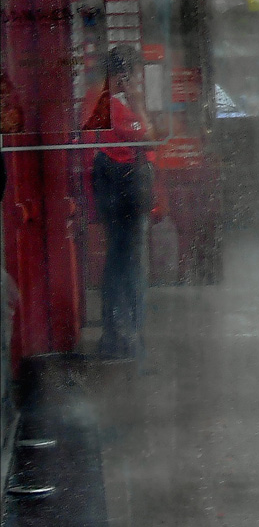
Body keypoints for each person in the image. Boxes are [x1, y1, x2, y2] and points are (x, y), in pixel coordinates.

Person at [84, 45, 155, 360]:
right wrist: (139, 102)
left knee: (118, 262)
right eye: (135, 74)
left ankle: (118, 333)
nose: (138, 81)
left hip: (112, 192)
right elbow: (148, 135)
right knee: (128, 265)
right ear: (124, 75)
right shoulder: (114, 107)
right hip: (125, 193)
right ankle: (126, 334)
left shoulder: (97, 101)